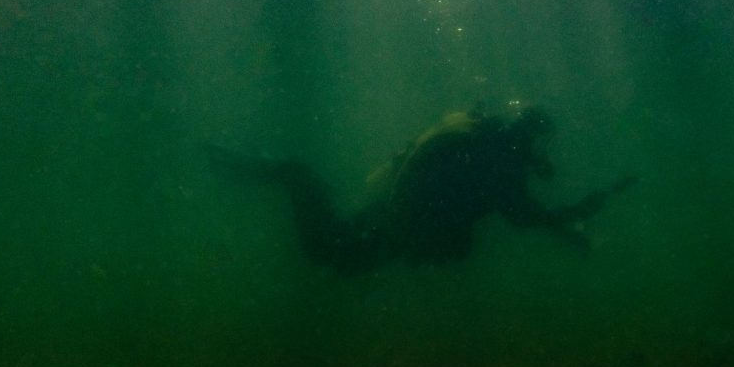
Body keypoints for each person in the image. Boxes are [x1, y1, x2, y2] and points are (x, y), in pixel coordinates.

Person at [208, 103, 635, 276]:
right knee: (325, 236)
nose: (546, 157)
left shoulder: (488, 151)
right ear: (530, 139)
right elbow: (524, 217)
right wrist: (579, 211)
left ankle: (241, 167)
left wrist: (569, 228)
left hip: (383, 224)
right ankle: (245, 168)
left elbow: (522, 213)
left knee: (323, 219)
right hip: (378, 238)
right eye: (543, 146)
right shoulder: (500, 164)